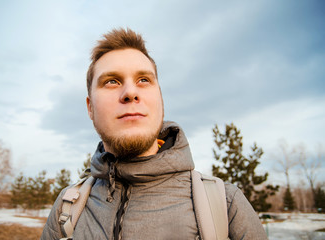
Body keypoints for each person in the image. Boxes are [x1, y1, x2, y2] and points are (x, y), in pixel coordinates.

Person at [41, 28, 267, 240]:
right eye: (111, 81)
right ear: (90, 108)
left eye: (143, 80)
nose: (130, 92)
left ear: (160, 100)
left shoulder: (225, 205)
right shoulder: (67, 208)